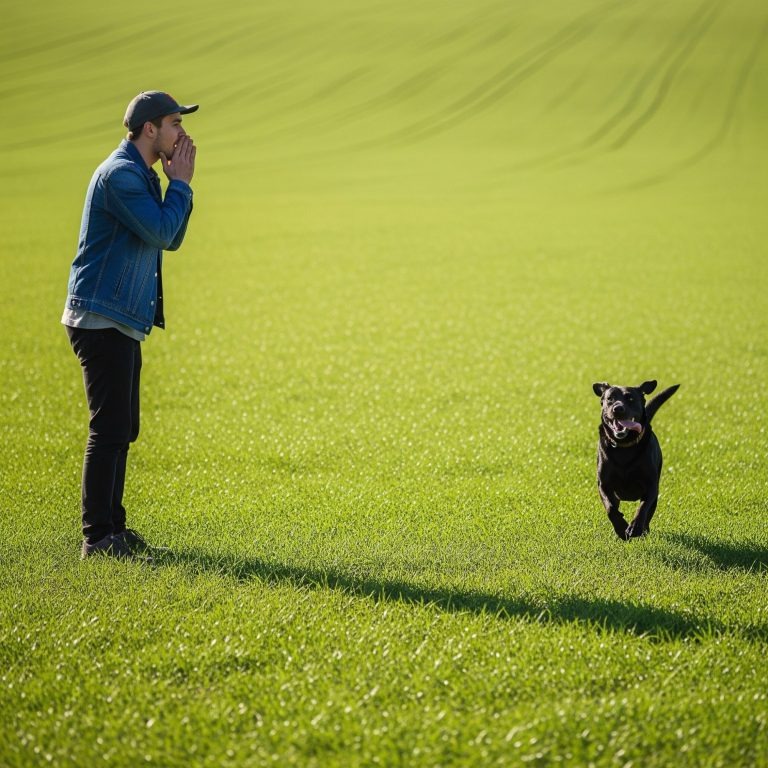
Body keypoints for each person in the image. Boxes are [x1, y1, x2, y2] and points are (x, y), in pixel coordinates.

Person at [62, 91, 198, 559]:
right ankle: (97, 538)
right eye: (175, 124)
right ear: (149, 130)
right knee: (109, 428)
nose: (181, 133)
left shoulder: (141, 175)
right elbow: (162, 231)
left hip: (118, 316)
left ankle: (114, 531)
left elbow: (170, 237)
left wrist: (179, 185)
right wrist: (179, 182)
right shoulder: (121, 176)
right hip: (100, 317)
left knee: (124, 426)